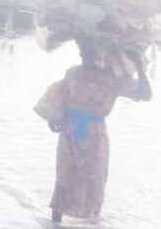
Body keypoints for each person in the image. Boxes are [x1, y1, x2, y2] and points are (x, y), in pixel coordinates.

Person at [49, 37, 151, 223]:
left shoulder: (112, 78)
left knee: (93, 182)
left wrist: (139, 65)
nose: (85, 53)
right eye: (83, 49)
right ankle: (54, 225)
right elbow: (59, 99)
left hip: (95, 137)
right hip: (69, 134)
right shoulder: (73, 73)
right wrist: (54, 119)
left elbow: (145, 95)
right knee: (63, 181)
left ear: (101, 52)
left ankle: (93, 223)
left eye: (90, 49)